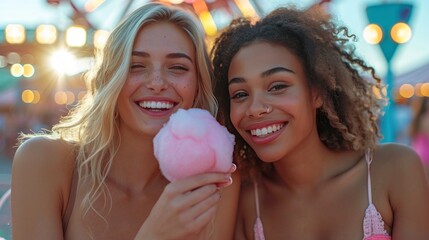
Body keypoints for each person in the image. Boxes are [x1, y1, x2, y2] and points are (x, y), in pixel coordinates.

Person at [11, 3, 239, 239]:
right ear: (111, 78)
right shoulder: (44, 161)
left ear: (198, 86)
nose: (157, 82)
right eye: (136, 66)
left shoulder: (215, 185)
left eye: (178, 67)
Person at [211, 6, 429, 240]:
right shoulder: (244, 199)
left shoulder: (394, 169)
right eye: (240, 94)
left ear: (317, 92)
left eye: (277, 86)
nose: (255, 109)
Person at [409, 97, 429, 182]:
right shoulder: (426, 117)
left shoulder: (417, 117)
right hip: (426, 152)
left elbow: (410, 133)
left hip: (418, 150)